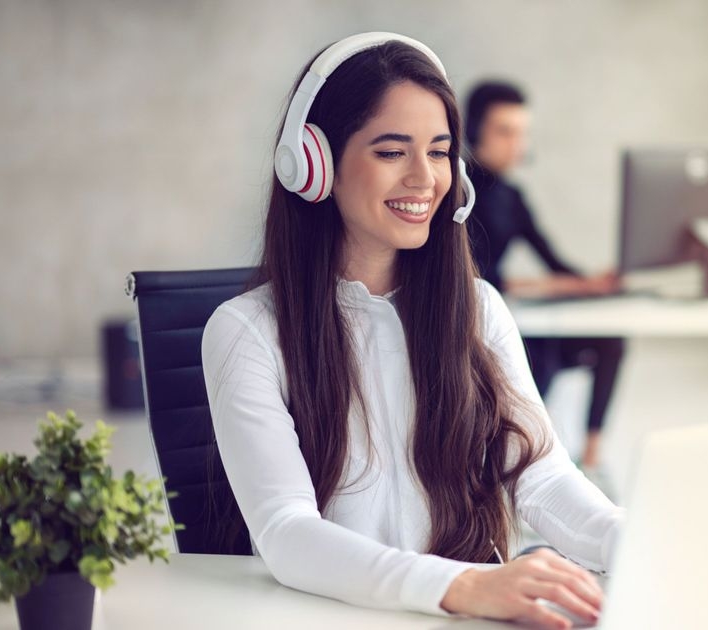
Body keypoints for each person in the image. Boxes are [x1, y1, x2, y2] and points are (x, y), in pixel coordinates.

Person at [200, 33, 623, 629]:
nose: (425, 179)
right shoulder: (246, 332)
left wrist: (633, 541)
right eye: (392, 152)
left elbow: (541, 476)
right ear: (314, 166)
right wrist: (463, 585)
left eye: (440, 151)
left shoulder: (477, 309)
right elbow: (287, 532)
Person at [464, 81, 626, 470]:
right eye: (505, 132)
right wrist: (560, 286)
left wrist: (590, 284)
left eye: (522, 133)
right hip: (478, 322)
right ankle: (522, 464)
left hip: (516, 313)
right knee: (541, 355)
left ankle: (590, 460)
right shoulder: (460, 192)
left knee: (610, 340)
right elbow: (478, 277)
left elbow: (553, 261)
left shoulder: (512, 197)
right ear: (473, 132)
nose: (516, 145)